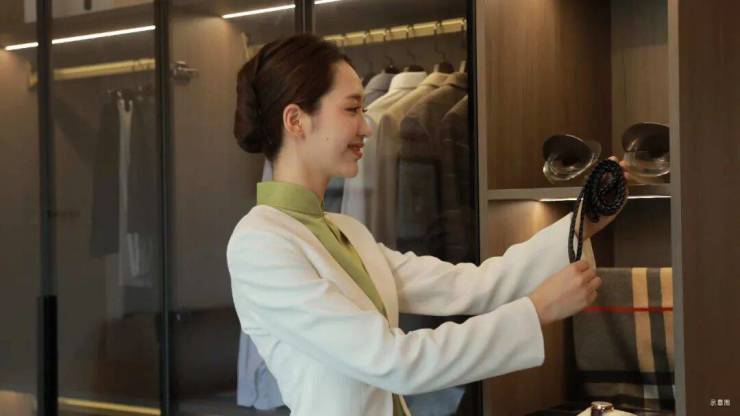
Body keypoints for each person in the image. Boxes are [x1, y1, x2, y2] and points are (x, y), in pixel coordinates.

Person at [226, 33, 630, 416]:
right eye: (351, 109)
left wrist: (585, 222)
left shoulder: (347, 232)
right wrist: (535, 311)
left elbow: (469, 285)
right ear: (296, 120)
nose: (367, 125)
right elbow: (394, 361)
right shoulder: (260, 244)